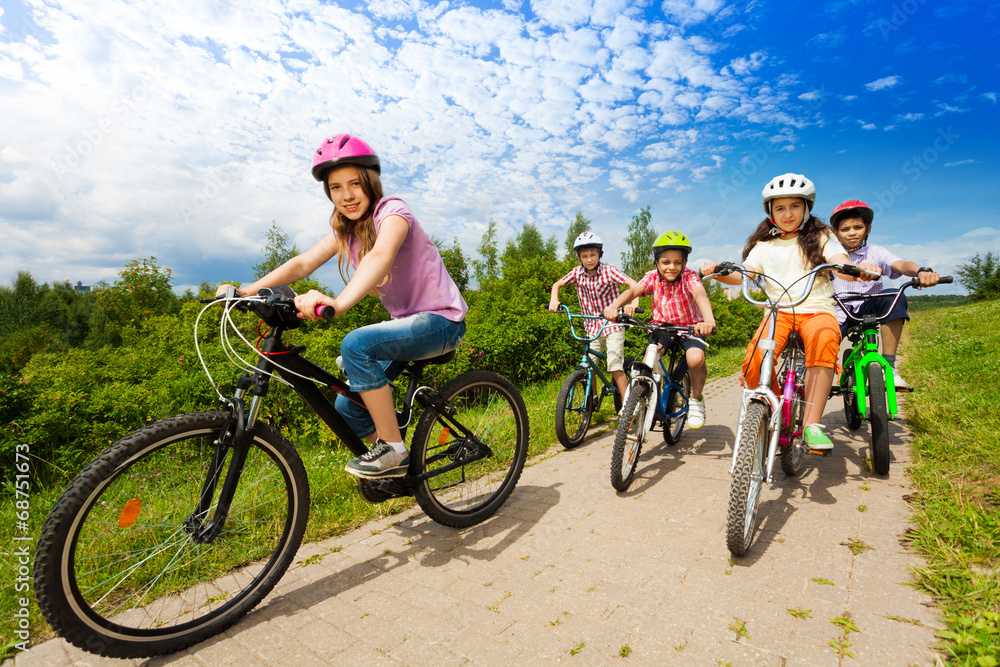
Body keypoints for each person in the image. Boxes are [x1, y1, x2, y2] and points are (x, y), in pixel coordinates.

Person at [218, 133, 467, 479]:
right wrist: (247, 292)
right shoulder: (345, 232)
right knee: (347, 408)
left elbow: (380, 257)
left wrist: (337, 303)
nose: (346, 195)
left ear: (370, 182)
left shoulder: (393, 211)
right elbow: (303, 263)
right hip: (405, 323)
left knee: (355, 344)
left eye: (354, 184)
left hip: (442, 321)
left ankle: (393, 451)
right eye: (336, 188)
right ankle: (396, 465)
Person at [701, 173, 874, 450]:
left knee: (824, 341)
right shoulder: (763, 246)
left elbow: (838, 259)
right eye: (780, 207)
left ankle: (812, 424)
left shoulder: (822, 236)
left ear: (806, 208)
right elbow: (746, 273)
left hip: (816, 309)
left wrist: (853, 269)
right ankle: (778, 407)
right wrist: (720, 272)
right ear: (770, 212)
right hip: (778, 311)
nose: (788, 213)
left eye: (795, 206)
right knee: (754, 362)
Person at [603, 231, 716, 429]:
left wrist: (709, 320)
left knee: (695, 359)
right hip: (662, 326)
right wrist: (614, 306)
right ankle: (644, 397)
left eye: (677, 262)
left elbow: (700, 296)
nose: (671, 267)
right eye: (666, 262)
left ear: (684, 263)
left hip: (690, 327)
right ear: (656, 262)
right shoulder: (651, 277)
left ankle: (696, 399)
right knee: (651, 355)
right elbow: (633, 291)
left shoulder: (689, 277)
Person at [829, 200, 940, 389]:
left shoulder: (876, 252)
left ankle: (889, 366)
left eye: (858, 227)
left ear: (868, 229)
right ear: (836, 233)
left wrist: (922, 271)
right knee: (820, 341)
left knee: (893, 295)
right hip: (838, 312)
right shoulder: (831, 256)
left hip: (870, 307)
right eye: (845, 229)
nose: (852, 232)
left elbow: (902, 265)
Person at [549, 231, 640, 402]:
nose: (589, 259)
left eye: (593, 254)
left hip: (613, 324)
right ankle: (593, 400)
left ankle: (629, 404)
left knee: (614, 366)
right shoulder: (577, 273)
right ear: (579, 257)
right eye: (585, 256)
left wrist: (633, 304)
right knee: (589, 365)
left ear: (599, 254)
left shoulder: (609, 271)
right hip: (592, 326)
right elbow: (557, 284)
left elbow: (632, 283)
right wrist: (555, 300)